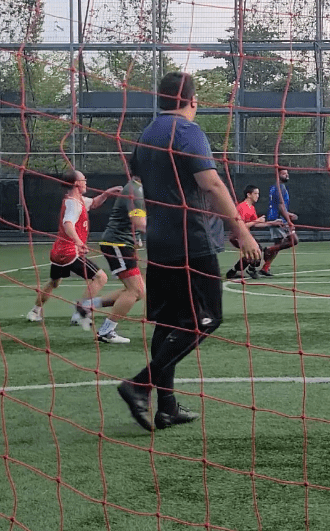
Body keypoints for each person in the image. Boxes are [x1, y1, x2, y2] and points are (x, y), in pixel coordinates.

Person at [117, 71, 259, 432]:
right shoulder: (187, 131)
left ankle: (166, 407)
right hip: (190, 243)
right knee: (205, 318)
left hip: (160, 243)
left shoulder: (147, 135)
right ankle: (139, 385)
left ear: (160, 99)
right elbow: (209, 183)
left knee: (167, 323)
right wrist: (239, 230)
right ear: (194, 101)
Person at [25, 170, 122, 333]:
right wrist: (77, 241)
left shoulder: (78, 200)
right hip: (69, 252)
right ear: (77, 184)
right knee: (100, 277)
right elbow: (68, 223)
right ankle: (81, 311)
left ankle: (35, 311)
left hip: (58, 252)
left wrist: (107, 193)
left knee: (54, 282)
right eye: (84, 179)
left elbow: (95, 203)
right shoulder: (73, 204)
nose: (86, 182)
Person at [85, 174, 148, 344]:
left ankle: (87, 305)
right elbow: (140, 223)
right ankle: (106, 331)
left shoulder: (138, 188)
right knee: (135, 290)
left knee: (138, 291)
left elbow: (134, 223)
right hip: (117, 244)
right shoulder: (135, 190)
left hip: (121, 244)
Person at [225, 184, 285, 280]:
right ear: (249, 195)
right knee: (256, 250)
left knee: (252, 254)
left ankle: (232, 272)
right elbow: (240, 226)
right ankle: (251, 270)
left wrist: (272, 223)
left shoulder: (251, 207)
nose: (258, 196)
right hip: (236, 236)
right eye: (255, 193)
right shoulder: (242, 207)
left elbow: (256, 224)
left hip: (244, 235)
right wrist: (256, 221)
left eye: (258, 193)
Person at [258, 168, 298, 277]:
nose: (287, 175)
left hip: (276, 217)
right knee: (293, 240)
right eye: (284, 174)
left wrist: (288, 214)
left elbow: (279, 205)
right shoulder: (280, 187)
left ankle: (265, 268)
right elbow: (280, 205)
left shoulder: (275, 187)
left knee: (279, 245)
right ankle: (268, 249)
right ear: (278, 175)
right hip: (278, 220)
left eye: (287, 173)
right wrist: (289, 221)